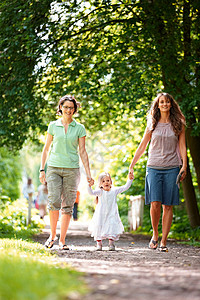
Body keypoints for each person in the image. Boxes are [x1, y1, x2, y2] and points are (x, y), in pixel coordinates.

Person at [129, 92, 187, 252]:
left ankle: (163, 241)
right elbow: (142, 145)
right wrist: (132, 165)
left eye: (167, 102)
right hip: (153, 167)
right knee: (155, 203)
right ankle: (155, 234)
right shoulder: (152, 123)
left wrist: (184, 166)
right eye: (162, 102)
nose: (164, 104)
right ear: (158, 105)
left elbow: (182, 146)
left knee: (168, 206)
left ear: (171, 104)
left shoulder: (179, 123)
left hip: (173, 167)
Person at [39, 95, 94, 250]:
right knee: (53, 201)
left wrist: (89, 174)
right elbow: (46, 149)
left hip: (72, 169)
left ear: (74, 110)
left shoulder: (79, 128)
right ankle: (52, 236)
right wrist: (42, 169)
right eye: (66, 107)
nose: (69, 110)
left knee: (68, 206)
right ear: (61, 108)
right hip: (54, 168)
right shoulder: (53, 126)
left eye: (71, 107)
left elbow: (83, 152)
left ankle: (62, 240)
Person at [88, 172, 134, 251]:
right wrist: (89, 185)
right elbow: (91, 192)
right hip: (100, 214)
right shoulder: (100, 192)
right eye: (103, 181)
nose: (106, 182)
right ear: (100, 184)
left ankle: (111, 244)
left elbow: (125, 187)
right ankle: (99, 244)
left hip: (112, 213)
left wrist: (130, 179)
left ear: (111, 182)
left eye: (108, 180)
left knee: (111, 226)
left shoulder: (114, 190)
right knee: (99, 226)